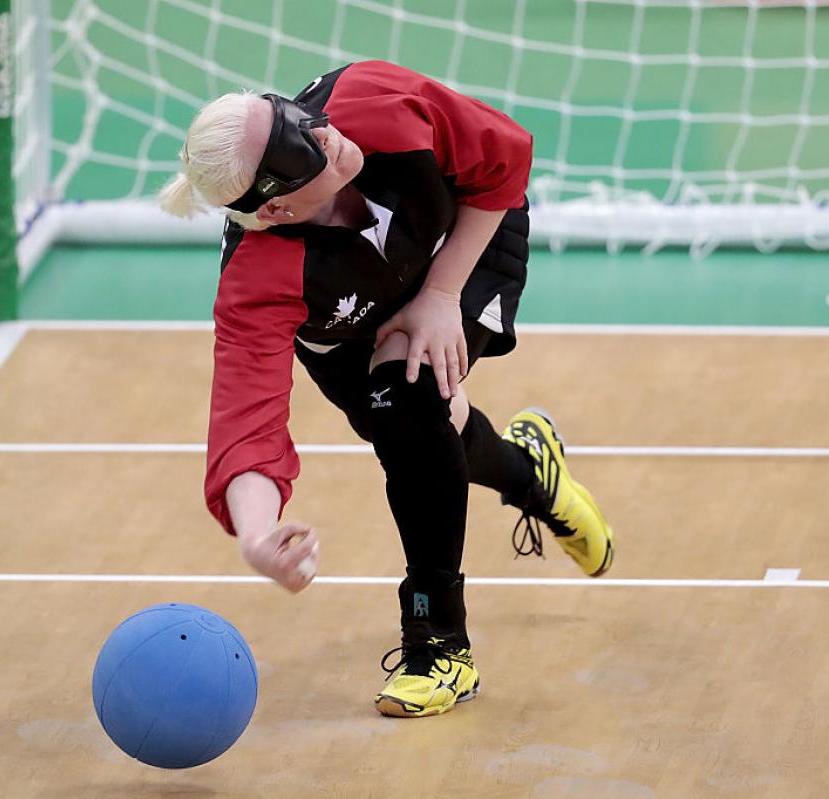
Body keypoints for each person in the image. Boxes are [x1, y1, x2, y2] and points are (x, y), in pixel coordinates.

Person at [159, 60, 614, 718]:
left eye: (299, 118)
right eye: (299, 150)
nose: (323, 135)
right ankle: (532, 473)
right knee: (428, 430)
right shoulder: (260, 278)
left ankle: (437, 645)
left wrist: (440, 294)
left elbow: (505, 156)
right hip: (347, 340)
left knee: (407, 408)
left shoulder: (375, 103)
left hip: (465, 241)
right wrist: (256, 534)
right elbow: (245, 423)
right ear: (278, 207)